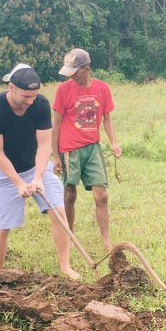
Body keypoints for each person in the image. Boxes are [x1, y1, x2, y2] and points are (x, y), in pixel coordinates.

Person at [0, 63, 79, 280]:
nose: (30, 101)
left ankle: (65, 267)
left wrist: (37, 178)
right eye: (26, 96)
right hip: (4, 173)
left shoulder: (40, 104)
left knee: (60, 214)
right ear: (11, 88)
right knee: (3, 226)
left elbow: (44, 145)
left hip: (36, 167)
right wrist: (18, 183)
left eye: (34, 95)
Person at [52, 48, 122, 251]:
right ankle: (69, 236)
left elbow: (107, 118)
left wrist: (114, 142)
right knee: (69, 195)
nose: (71, 76)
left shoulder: (102, 88)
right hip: (69, 149)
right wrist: (55, 155)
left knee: (102, 195)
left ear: (86, 69)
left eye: (75, 71)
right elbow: (55, 123)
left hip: (93, 148)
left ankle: (106, 240)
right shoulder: (63, 90)